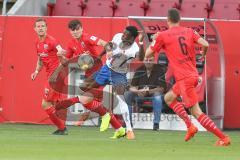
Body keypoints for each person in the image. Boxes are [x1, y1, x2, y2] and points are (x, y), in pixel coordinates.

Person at [145, 8, 230, 146]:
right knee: (169, 98)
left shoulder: (163, 35)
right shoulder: (189, 31)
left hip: (184, 79)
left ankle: (223, 138)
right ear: (179, 19)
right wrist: (203, 54)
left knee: (196, 112)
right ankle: (190, 126)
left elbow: (148, 54)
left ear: (167, 20)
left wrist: (154, 39)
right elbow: (205, 44)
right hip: (193, 75)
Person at [56, 19, 126, 138]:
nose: (75, 32)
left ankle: (104, 116)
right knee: (91, 103)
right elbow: (66, 62)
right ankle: (119, 129)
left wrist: (109, 51)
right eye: (72, 30)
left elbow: (105, 43)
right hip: (89, 75)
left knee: (85, 99)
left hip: (100, 72)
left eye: (77, 29)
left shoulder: (88, 38)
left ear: (82, 28)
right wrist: (60, 56)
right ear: (70, 31)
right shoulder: (71, 44)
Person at [31, 18, 80, 135]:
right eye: (38, 26)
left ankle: (62, 128)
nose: (41, 28)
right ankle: (79, 99)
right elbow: (40, 58)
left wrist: (62, 52)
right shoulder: (37, 43)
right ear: (35, 29)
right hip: (50, 75)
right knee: (55, 105)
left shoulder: (52, 41)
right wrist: (36, 71)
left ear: (46, 28)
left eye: (43, 26)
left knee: (45, 104)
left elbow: (61, 51)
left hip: (56, 75)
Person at [124, 56, 166, 130]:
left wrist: (148, 91)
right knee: (127, 95)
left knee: (158, 97)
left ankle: (156, 123)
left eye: (150, 60)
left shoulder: (160, 70)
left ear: (154, 61)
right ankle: (128, 123)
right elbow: (133, 86)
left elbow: (161, 89)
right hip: (140, 94)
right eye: (146, 60)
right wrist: (138, 91)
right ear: (143, 61)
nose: (148, 62)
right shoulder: (139, 70)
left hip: (153, 94)